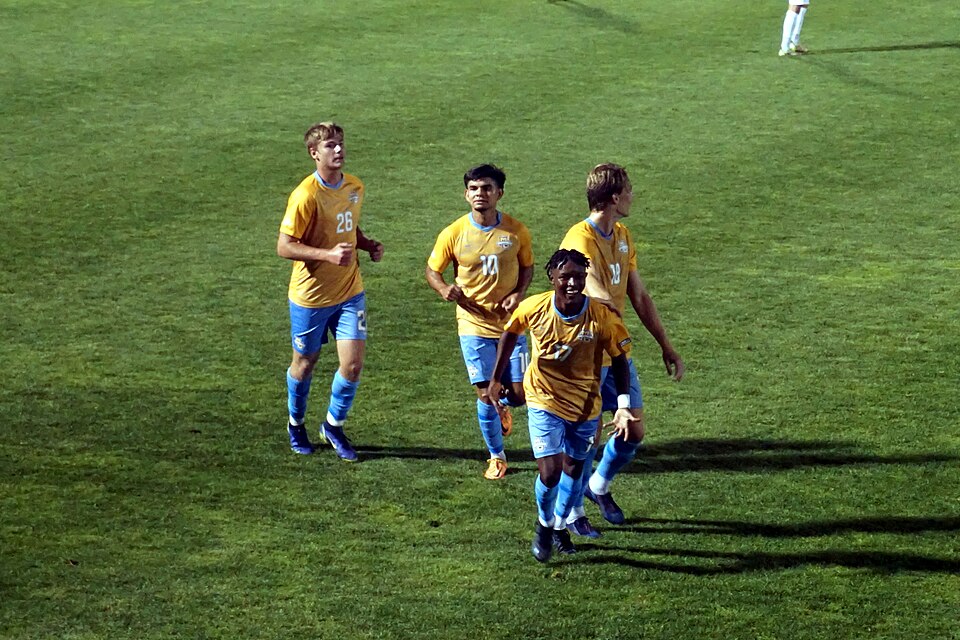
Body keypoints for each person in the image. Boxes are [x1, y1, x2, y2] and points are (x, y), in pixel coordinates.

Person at [488, 249, 638, 562]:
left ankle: (559, 524)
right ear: (552, 278)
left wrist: (623, 405)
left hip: (585, 405)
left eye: (578, 277)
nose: (572, 282)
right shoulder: (535, 307)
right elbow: (509, 334)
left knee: (574, 467)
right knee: (551, 470)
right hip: (543, 398)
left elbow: (621, 361)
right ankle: (544, 526)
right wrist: (496, 378)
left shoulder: (601, 316)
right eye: (565, 276)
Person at [558, 163, 683, 534]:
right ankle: (572, 512)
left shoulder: (623, 235)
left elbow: (638, 294)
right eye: (629, 190)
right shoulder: (578, 241)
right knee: (587, 438)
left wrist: (666, 344)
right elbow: (597, 297)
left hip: (614, 350)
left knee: (634, 431)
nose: (632, 196)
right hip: (583, 356)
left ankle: (599, 485)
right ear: (614, 197)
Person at [277, 122, 384, 461]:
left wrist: (366, 244)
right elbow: (284, 246)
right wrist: (327, 255)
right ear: (314, 153)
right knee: (304, 363)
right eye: (330, 146)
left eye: (340, 144)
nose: (338, 151)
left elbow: (347, 224)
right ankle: (296, 423)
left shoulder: (354, 186)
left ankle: (333, 425)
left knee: (352, 365)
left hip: (350, 291)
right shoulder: (305, 196)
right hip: (311, 297)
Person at [426, 164, 534, 480]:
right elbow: (432, 271)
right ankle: (497, 457)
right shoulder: (454, 233)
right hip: (472, 324)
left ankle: (504, 406)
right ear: (466, 194)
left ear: (499, 193)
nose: (480, 194)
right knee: (485, 393)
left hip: (512, 325)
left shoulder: (516, 232)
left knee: (520, 394)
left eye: (486, 188)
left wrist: (519, 293)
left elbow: (527, 266)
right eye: (473, 189)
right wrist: (444, 287)